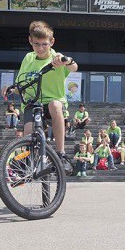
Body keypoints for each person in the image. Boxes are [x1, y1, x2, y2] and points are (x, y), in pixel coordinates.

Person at [18, 21, 78, 165]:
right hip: (32, 103)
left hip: (53, 102)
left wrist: (67, 61)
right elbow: (21, 83)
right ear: (30, 41)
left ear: (52, 42)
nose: (40, 48)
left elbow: (74, 67)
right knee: (28, 131)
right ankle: (31, 160)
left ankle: (60, 154)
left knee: (55, 105)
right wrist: (9, 88)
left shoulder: (56, 57)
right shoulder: (28, 58)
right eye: (36, 44)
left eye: (44, 44)